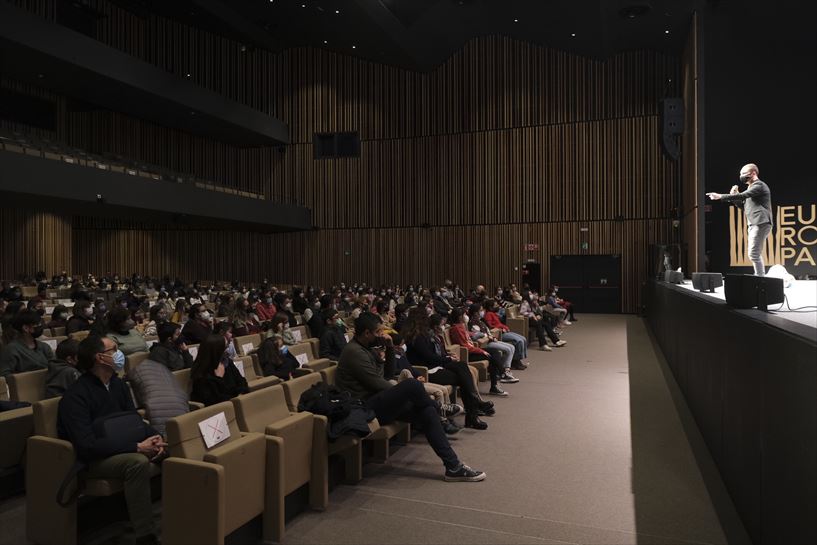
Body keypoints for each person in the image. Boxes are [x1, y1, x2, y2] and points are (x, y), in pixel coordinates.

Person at [336, 312, 485, 482]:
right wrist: (403, 391)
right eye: (378, 332)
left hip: (378, 400)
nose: (382, 335)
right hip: (363, 407)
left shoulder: (368, 348)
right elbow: (378, 384)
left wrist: (390, 348)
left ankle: (453, 466)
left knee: (427, 412)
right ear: (367, 333)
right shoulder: (354, 352)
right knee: (412, 385)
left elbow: (388, 374)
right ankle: (439, 407)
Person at [57, 335, 165, 545]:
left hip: (123, 447)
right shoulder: (75, 396)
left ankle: (183, 516)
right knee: (136, 462)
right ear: (99, 357)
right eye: (114, 349)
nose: (119, 353)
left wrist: (154, 436)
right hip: (93, 460)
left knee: (171, 446)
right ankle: (145, 535)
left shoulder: (117, 385)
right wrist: (136, 447)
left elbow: (133, 419)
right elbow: (86, 445)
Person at [403, 309, 491, 430]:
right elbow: (429, 357)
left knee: (462, 367)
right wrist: (448, 359)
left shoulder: (426, 335)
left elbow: (436, 355)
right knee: (463, 378)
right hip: (427, 371)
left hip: (436, 365)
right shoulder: (417, 337)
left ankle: (473, 408)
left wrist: (448, 357)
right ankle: (473, 410)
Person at [707, 163, 773, 276]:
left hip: (760, 222)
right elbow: (743, 206)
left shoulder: (759, 186)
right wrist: (734, 196)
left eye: (744, 173)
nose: (742, 176)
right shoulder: (751, 189)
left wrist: (721, 196)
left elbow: (743, 196)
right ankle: (760, 277)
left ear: (753, 173)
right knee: (754, 253)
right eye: (740, 174)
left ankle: (760, 279)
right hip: (754, 223)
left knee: (754, 253)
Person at [190, 334, 249, 406]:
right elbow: (212, 400)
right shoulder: (201, 374)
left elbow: (241, 381)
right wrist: (234, 400)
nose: (227, 351)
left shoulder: (227, 362)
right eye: (225, 348)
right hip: (220, 408)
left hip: (238, 402)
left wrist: (240, 395)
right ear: (216, 351)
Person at [0, 310, 54, 378]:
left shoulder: (45, 347)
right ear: (26, 328)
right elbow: (5, 376)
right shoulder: (11, 350)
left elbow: (54, 367)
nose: (40, 327)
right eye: (37, 325)